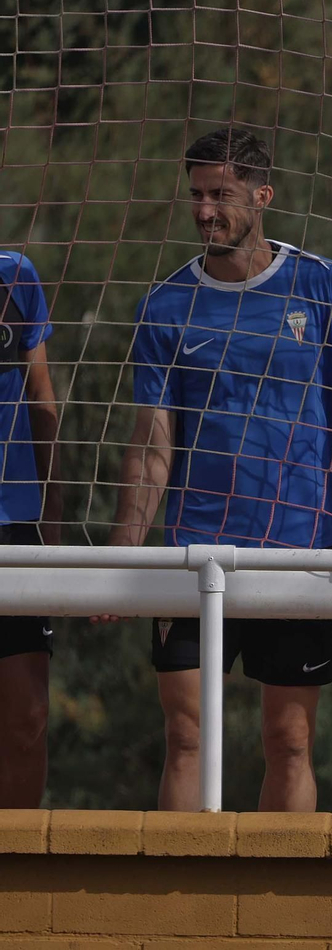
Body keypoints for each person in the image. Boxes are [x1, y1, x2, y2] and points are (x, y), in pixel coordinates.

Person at [108, 126, 332, 812]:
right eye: (197, 196)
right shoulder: (166, 306)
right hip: (194, 548)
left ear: (262, 195)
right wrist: (122, 547)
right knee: (184, 735)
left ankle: (279, 908)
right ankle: (178, 907)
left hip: (302, 552)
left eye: (222, 194)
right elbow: (152, 444)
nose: (206, 210)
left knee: (288, 740)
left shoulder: (323, 286)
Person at [0, 250, 59, 808]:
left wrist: (55, 513)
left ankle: (14, 876)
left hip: (14, 526)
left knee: (26, 720)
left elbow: (41, 394)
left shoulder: (16, 273)